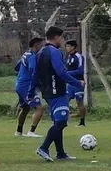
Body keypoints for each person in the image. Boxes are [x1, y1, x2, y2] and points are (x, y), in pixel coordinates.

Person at [35, 27, 83, 162]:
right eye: (61, 38)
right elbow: (61, 72)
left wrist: (37, 88)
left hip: (48, 92)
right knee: (61, 122)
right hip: (57, 91)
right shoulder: (54, 52)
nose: (62, 41)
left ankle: (61, 153)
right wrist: (77, 83)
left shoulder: (40, 52)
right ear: (56, 37)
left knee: (58, 121)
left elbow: (35, 73)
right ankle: (43, 148)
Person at [15, 37, 45, 137]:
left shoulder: (25, 54)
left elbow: (16, 67)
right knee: (39, 108)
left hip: (19, 84)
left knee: (25, 109)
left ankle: (19, 131)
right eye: (41, 45)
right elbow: (33, 72)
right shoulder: (32, 57)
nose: (42, 48)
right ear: (36, 45)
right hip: (26, 86)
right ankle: (31, 131)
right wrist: (34, 87)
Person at [64, 40, 87, 126]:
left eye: (68, 46)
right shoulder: (68, 57)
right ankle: (64, 119)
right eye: (66, 46)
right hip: (69, 83)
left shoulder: (79, 56)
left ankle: (82, 122)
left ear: (73, 47)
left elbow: (80, 70)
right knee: (65, 100)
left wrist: (67, 73)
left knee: (79, 102)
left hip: (78, 83)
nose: (67, 48)